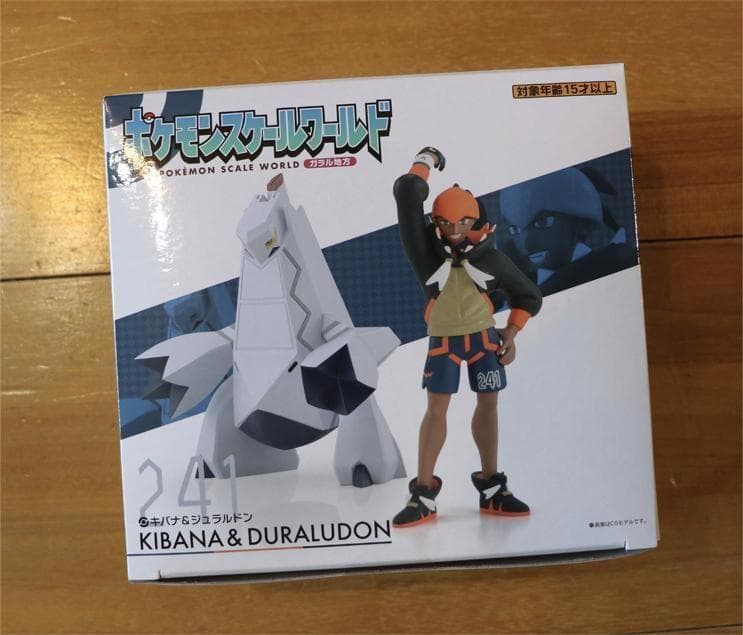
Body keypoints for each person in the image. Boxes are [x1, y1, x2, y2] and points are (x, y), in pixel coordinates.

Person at [392, 147, 542, 528]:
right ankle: (422, 493)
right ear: (435, 222)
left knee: (488, 406)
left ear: (476, 220)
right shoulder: (426, 254)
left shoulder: (490, 258)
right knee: (436, 411)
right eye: (445, 222)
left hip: (484, 340)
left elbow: (528, 294)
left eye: (463, 222)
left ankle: (492, 488)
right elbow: (406, 193)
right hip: (443, 341)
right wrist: (425, 161)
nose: (454, 230)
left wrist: (511, 332)